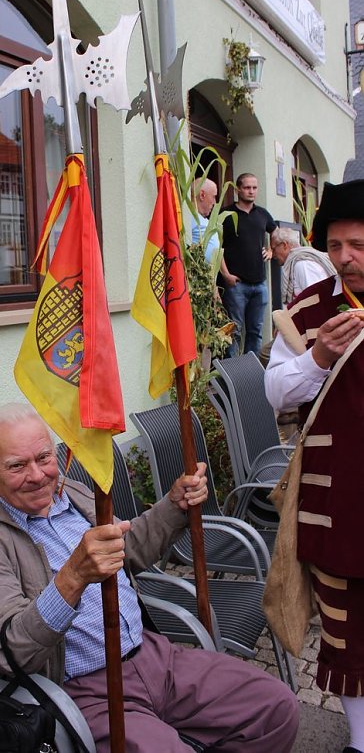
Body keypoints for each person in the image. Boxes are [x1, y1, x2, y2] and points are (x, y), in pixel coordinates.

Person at [0, 402, 299, 752]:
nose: (37, 475)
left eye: (44, 458)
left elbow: (128, 550)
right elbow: (10, 647)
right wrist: (73, 576)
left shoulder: (70, 494)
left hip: (155, 659)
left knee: (274, 708)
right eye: (17, 465)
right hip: (82, 691)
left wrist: (174, 505)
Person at [265, 178, 364, 753]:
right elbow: (276, 393)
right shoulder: (306, 309)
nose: (344, 258)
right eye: (334, 246)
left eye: (357, 244)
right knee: (348, 633)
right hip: (337, 499)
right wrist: (320, 356)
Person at [220, 173, 277, 356]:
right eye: (247, 187)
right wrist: (226, 275)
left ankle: (250, 373)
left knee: (255, 332)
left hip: (259, 284)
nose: (251, 191)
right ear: (238, 190)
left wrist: (271, 250)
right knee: (233, 332)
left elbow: (277, 233)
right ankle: (232, 376)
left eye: (254, 188)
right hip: (236, 285)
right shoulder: (225, 214)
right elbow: (215, 247)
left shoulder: (262, 214)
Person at [270, 226, 336, 305]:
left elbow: (315, 299)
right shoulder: (301, 261)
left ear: (284, 245)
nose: (273, 255)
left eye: (274, 249)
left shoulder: (303, 264)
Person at [190, 177, 232, 281]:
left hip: (207, 281)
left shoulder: (203, 220)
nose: (214, 202)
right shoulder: (189, 217)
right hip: (196, 282)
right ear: (202, 195)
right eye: (213, 197)